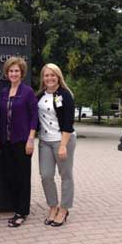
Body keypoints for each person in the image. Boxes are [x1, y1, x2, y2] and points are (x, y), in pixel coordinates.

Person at [0, 57, 38, 227]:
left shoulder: (27, 92)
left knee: (22, 177)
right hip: (6, 142)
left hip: (22, 142)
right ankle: (16, 207)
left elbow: (34, 117)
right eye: (11, 71)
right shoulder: (5, 92)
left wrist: (31, 139)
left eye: (17, 71)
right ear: (7, 73)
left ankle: (22, 212)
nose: (13, 73)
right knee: (10, 176)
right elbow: (0, 116)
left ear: (22, 73)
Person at [37, 63, 76, 227]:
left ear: (58, 77)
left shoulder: (65, 95)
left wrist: (63, 145)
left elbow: (68, 122)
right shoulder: (39, 95)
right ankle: (53, 206)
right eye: (46, 75)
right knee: (46, 175)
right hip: (44, 141)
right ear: (43, 78)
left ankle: (64, 209)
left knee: (65, 175)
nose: (49, 78)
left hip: (63, 140)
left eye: (53, 75)